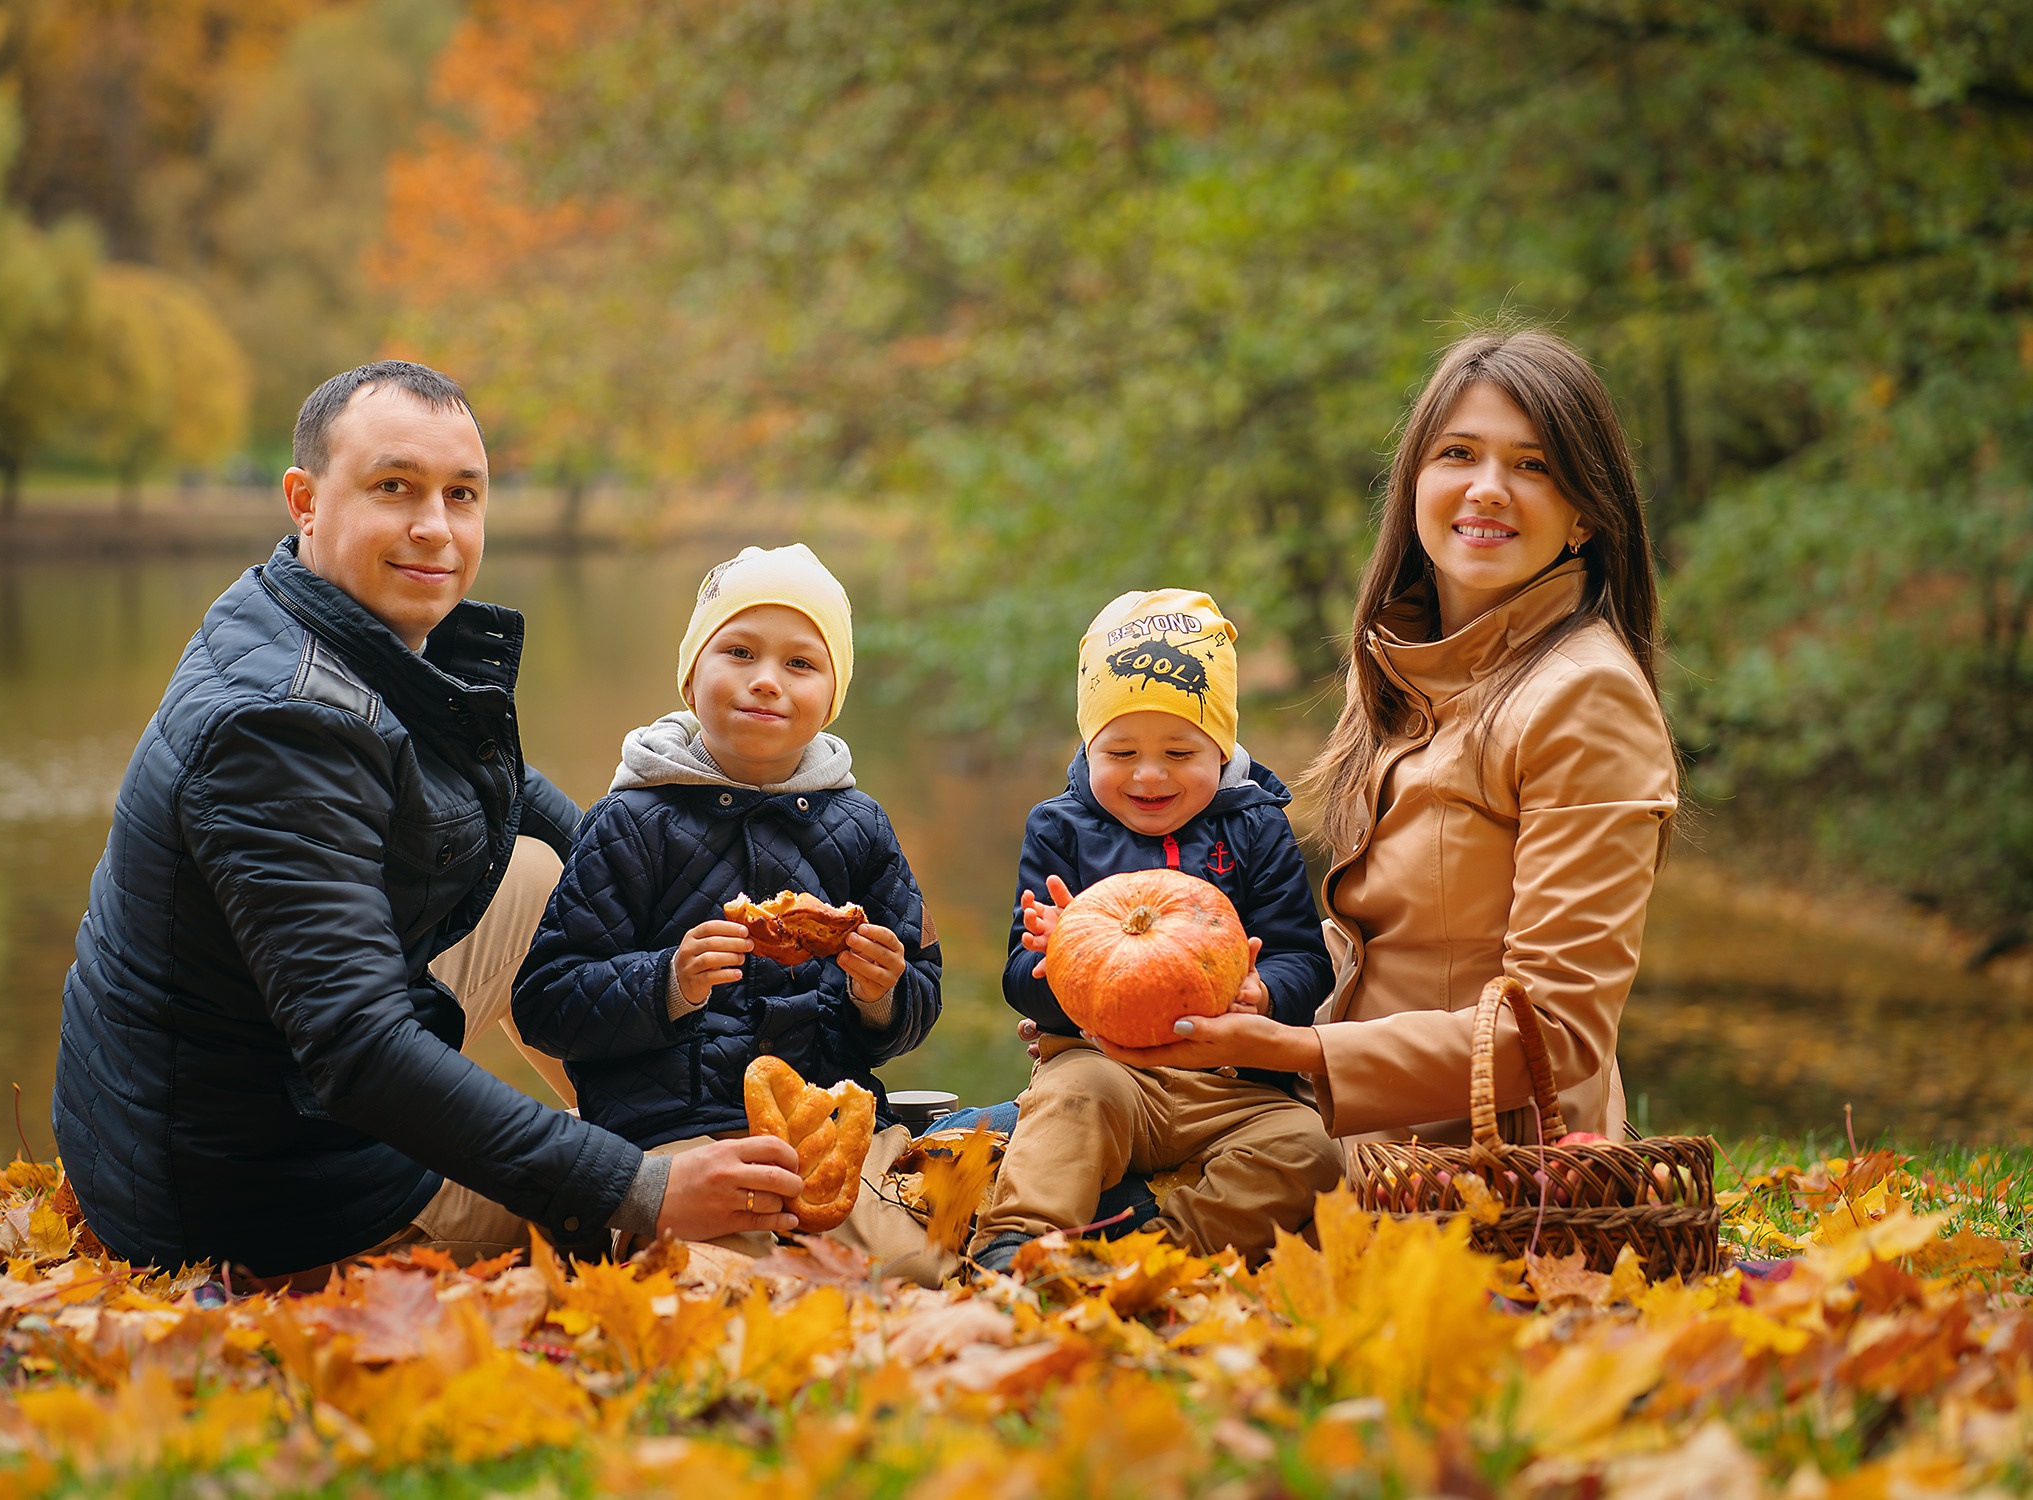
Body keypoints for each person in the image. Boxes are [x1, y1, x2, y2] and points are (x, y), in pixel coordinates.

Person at [51, 361, 804, 1284]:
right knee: (729, 1244)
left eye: (461, 494)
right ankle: (673, 1172)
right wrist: (638, 1190)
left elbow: (530, 813)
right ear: (305, 501)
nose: (435, 527)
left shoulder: (323, 621)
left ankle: (683, 1120)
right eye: (393, 487)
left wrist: (727, 917)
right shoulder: (277, 727)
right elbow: (360, 1050)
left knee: (544, 874)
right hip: (253, 1195)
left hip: (231, 1104)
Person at [1090, 329, 1679, 1158]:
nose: (1486, 489)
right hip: (1321, 1118)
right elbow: (1364, 946)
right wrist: (1220, 997)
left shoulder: (1585, 697)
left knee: (1080, 1189)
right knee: (1031, 1125)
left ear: (1583, 513)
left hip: (1473, 1161)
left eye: (1532, 466)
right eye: (1457, 453)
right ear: (1414, 483)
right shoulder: (1402, 664)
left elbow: (1553, 1033)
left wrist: (1296, 1051)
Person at [516, 544, 945, 1269]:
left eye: (800, 663)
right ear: (691, 679)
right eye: (739, 652)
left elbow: (919, 996)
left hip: (829, 1131)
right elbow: (545, 1004)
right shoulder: (631, 823)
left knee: (910, 1269)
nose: (766, 680)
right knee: (720, 1279)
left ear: (831, 698)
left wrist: (882, 994)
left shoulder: (861, 826)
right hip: (672, 1134)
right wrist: (668, 982)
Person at [965, 590, 1340, 1274]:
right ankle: (1015, 1245)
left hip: (1233, 1083)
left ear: (1220, 749)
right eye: (1120, 751)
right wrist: (1056, 959)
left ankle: (1160, 1254)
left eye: (1179, 751)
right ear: (1088, 746)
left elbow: (1303, 958)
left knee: (1308, 1149)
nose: (1148, 773)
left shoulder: (1256, 827)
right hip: (1104, 1070)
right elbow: (1018, 981)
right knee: (1068, 1100)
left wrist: (1264, 994)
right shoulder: (1060, 828)